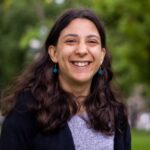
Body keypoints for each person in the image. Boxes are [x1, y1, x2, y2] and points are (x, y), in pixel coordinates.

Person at [0, 8, 131, 150]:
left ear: (101, 55)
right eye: (71, 41)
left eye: (91, 42)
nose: (81, 50)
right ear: (54, 53)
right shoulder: (26, 110)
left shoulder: (116, 114)